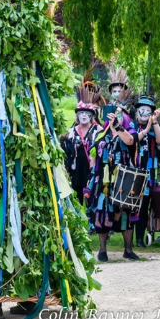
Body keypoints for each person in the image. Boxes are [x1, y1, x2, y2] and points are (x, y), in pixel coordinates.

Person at [86, 67, 140, 262]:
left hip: (124, 173)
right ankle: (102, 250)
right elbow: (96, 147)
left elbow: (131, 141)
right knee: (102, 209)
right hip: (104, 176)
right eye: (114, 90)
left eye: (120, 90)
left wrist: (118, 126)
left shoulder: (129, 122)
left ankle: (128, 248)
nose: (117, 93)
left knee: (126, 211)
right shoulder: (103, 123)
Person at [62, 80, 103, 226]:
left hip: (92, 169)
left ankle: (92, 223)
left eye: (87, 113)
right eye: (81, 113)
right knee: (77, 194)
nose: (84, 116)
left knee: (92, 195)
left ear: (92, 116)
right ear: (77, 116)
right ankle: (77, 223)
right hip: (76, 169)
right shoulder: (71, 131)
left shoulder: (98, 130)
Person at [133, 96, 160, 248]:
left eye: (148, 111)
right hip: (132, 171)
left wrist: (155, 121)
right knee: (130, 205)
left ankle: (139, 238)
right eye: (142, 110)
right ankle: (128, 238)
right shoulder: (131, 126)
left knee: (143, 205)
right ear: (137, 111)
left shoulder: (153, 128)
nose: (144, 113)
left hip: (148, 172)